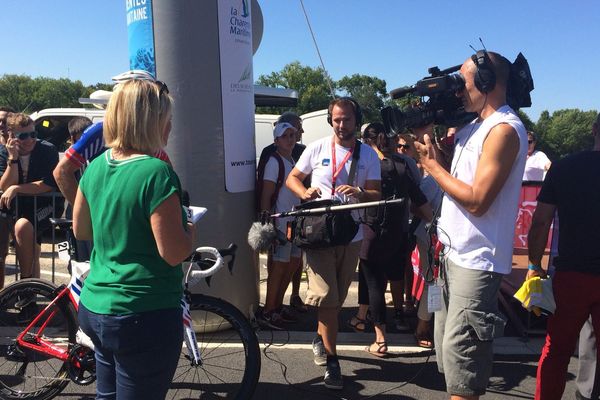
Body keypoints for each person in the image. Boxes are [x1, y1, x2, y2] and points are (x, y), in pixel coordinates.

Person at [414, 50, 528, 399]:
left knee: (465, 373)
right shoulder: (475, 127)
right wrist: (428, 144)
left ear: (486, 82)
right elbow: (458, 176)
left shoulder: (504, 129)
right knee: (451, 363)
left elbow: (478, 200)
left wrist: (433, 168)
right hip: (454, 256)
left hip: (477, 263)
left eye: (462, 83)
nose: (457, 92)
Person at [74, 78, 195, 399]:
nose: (169, 127)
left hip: (96, 306)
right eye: (166, 119)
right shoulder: (156, 172)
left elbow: (81, 231)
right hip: (144, 310)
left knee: (108, 395)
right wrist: (190, 229)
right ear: (151, 122)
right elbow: (173, 253)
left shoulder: (96, 166)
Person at [286, 97, 381, 390]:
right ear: (331, 120)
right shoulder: (316, 148)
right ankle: (332, 361)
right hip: (319, 234)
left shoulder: (368, 155)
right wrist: (304, 192)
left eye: (347, 120)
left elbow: (376, 194)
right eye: (337, 119)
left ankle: (321, 335)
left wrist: (360, 193)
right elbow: (293, 178)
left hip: (350, 234)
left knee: (337, 300)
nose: (341, 125)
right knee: (327, 297)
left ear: (357, 120)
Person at [526, 112, 600, 400]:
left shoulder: (565, 167)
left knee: (556, 350)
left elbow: (540, 221)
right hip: (578, 272)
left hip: (572, 273)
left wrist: (534, 265)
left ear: (593, 129)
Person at [351, 122, 431, 357]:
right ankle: (367, 317)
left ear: (368, 141)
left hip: (371, 230)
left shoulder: (369, 165)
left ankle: (380, 338)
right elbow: (420, 201)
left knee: (375, 283)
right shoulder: (401, 164)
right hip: (398, 233)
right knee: (390, 277)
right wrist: (431, 222)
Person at [53, 70, 171, 207]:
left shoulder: (150, 136)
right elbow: (61, 172)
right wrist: (89, 213)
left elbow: (168, 173)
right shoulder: (99, 131)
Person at [0, 113, 64, 286]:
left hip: (46, 205)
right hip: (17, 208)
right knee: (29, 250)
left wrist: (17, 188)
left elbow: (48, 185)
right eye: (23, 136)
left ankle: (26, 285)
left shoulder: (48, 149)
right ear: (11, 136)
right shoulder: (4, 152)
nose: (29, 140)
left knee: (23, 228)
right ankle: (28, 293)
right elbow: (5, 186)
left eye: (33, 134)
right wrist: (12, 159)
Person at [256, 111, 307, 314]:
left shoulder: (291, 162)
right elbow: (266, 196)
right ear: (276, 140)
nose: (290, 140)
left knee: (291, 265)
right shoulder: (273, 162)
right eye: (285, 136)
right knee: (278, 268)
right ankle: (270, 310)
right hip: (280, 223)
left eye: (292, 135)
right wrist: (268, 227)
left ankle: (277, 307)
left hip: (293, 223)